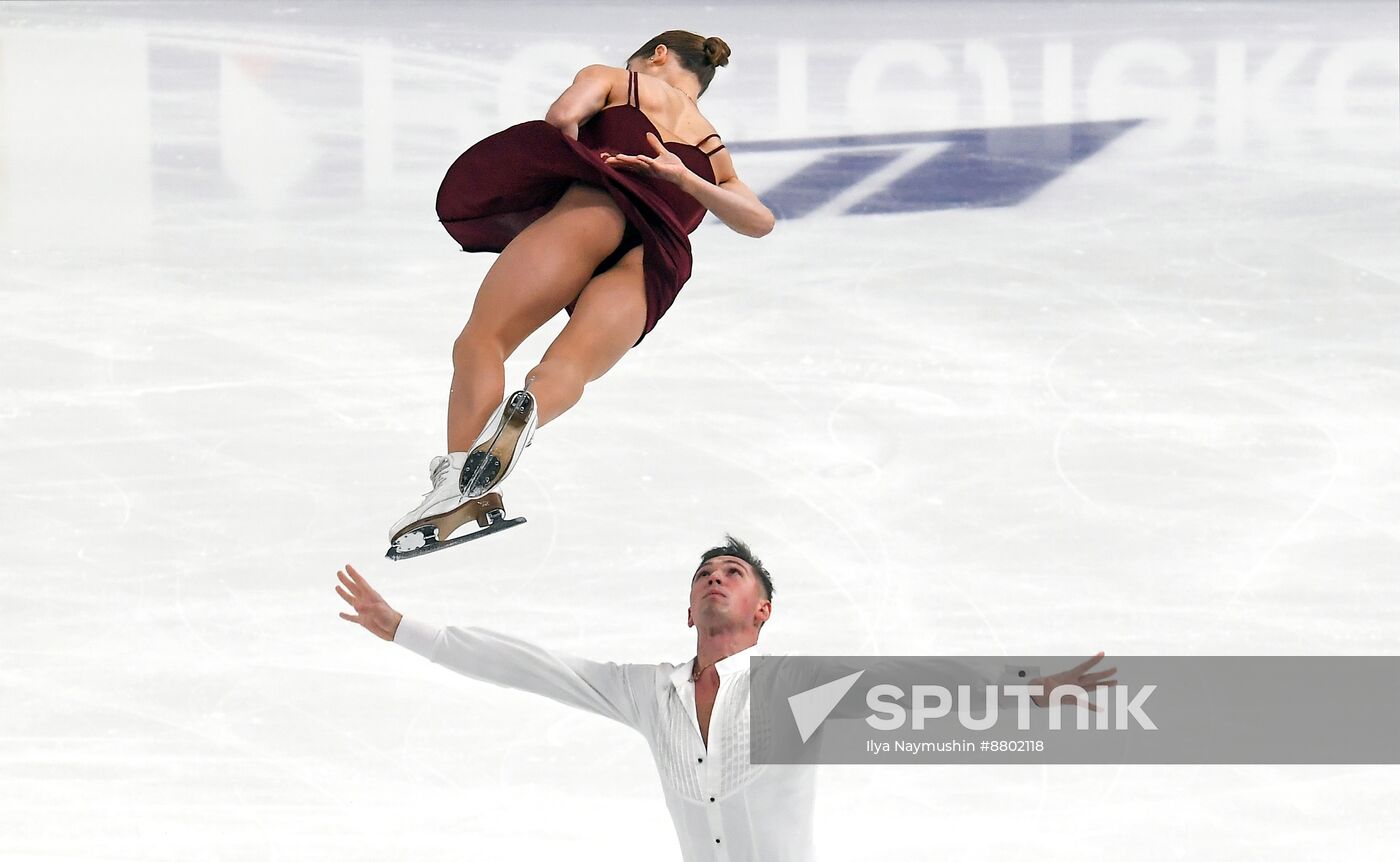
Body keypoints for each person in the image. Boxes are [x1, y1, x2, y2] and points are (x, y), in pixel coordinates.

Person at [335, 538, 1117, 860]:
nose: (716, 578)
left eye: (734, 574)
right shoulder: (648, 693)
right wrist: (405, 628)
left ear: (762, 612)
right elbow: (533, 667)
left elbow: (918, 685)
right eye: (705, 573)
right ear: (688, 610)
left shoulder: (795, 688)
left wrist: (1031, 692)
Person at [390, 31, 774, 553]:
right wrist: (686, 180)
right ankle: (528, 410)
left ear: (656, 56)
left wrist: (552, 172)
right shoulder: (713, 150)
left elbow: (561, 120)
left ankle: (459, 483)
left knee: (484, 340)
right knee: (567, 370)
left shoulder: (616, 80)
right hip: (657, 260)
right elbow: (759, 222)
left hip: (596, 211)